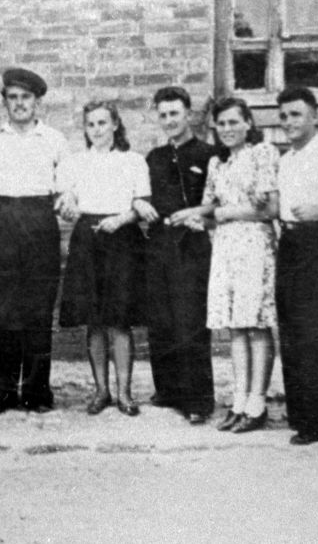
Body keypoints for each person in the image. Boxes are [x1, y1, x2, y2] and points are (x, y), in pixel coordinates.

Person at [172, 97, 279, 433]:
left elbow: (269, 209)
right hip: (225, 246)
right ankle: (239, 401)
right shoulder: (218, 164)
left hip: (255, 245)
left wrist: (220, 214)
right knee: (235, 325)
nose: (228, 129)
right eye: (222, 124)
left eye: (235, 122)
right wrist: (191, 215)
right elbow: (209, 205)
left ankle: (257, 403)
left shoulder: (263, 153)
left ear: (248, 123)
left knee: (256, 323)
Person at [0, 68, 68, 415]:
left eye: (25, 97)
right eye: (12, 97)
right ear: (5, 102)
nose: (19, 104)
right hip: (2, 223)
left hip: (40, 223)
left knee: (38, 309)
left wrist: (67, 201)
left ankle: (35, 392)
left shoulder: (55, 140)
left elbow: (65, 188)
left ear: (37, 101)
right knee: (2, 310)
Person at [57, 101, 151, 416]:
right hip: (87, 237)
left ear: (115, 125)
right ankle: (102, 391)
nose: (97, 130)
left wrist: (120, 219)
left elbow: (141, 203)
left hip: (122, 238)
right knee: (94, 321)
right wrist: (68, 202)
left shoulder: (133, 161)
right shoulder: (75, 162)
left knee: (119, 321)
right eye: (91, 124)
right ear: (85, 129)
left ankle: (125, 393)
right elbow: (66, 199)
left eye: (102, 123)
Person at [275, 86, 318, 445]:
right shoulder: (286, 159)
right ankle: (300, 412)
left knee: (314, 330)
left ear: (314, 115)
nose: (288, 122)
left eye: (296, 114)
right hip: (289, 243)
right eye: (284, 116)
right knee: (290, 327)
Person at [142, 86, 217, 424]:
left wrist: (195, 215)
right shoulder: (154, 158)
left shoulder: (209, 154)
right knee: (161, 319)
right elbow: (142, 195)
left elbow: (219, 200)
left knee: (190, 319)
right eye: (163, 114)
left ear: (188, 114)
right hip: (159, 244)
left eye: (175, 113)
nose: (169, 120)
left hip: (193, 244)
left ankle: (198, 399)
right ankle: (168, 389)